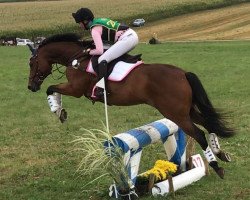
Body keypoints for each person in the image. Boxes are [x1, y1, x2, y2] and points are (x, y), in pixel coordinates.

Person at [72, 8, 139, 99]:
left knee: (102, 59)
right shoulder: (99, 21)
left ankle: (101, 89)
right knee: (111, 54)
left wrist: (89, 52)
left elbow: (99, 51)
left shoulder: (94, 30)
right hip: (131, 35)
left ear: (85, 21)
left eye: (80, 23)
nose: (80, 25)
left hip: (127, 38)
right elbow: (107, 43)